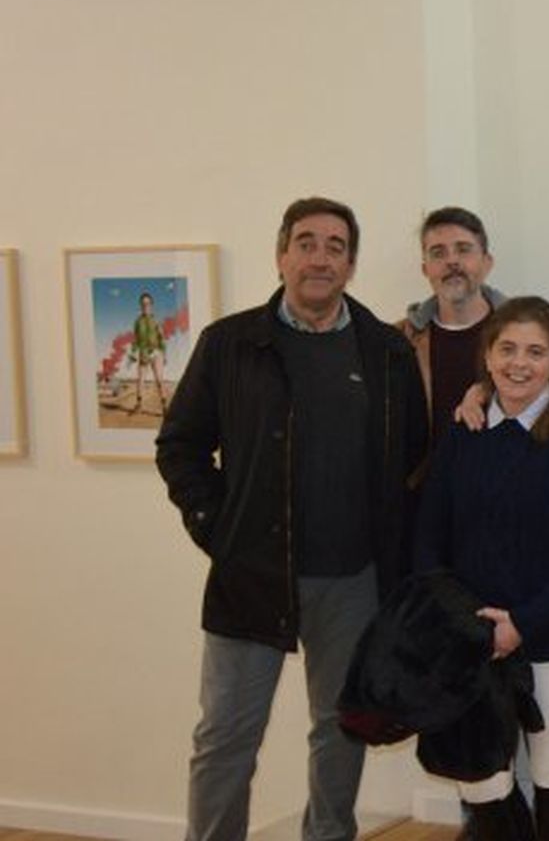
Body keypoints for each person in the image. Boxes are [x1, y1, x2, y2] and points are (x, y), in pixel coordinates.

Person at [155, 197, 428, 841]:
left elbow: (412, 456)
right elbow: (180, 446)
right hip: (251, 575)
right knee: (225, 735)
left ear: (351, 264)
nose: (320, 258)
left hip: (353, 580)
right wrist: (216, 527)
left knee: (341, 727)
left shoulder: (386, 351)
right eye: (306, 242)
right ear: (281, 255)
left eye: (336, 247)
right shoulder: (229, 344)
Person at [414, 296, 549, 841]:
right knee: (479, 775)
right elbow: (429, 535)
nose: (518, 363)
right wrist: (467, 622)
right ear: (488, 355)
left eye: (535, 351)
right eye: (507, 349)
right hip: (471, 637)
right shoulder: (466, 429)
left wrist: (522, 622)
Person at [397, 206, 507, 444]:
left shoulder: (526, 333)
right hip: (430, 479)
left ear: (487, 262)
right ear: (425, 269)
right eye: (438, 253)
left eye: (463, 249)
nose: (452, 261)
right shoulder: (400, 340)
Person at [132, 290, 168, 414]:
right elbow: (135, 339)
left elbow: (161, 338)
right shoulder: (137, 322)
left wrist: (164, 355)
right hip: (143, 353)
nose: (145, 306)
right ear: (140, 306)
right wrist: (133, 353)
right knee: (140, 380)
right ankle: (138, 405)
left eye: (147, 304)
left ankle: (165, 407)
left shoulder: (156, 320)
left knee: (159, 379)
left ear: (151, 305)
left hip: (156, 352)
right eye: (143, 304)